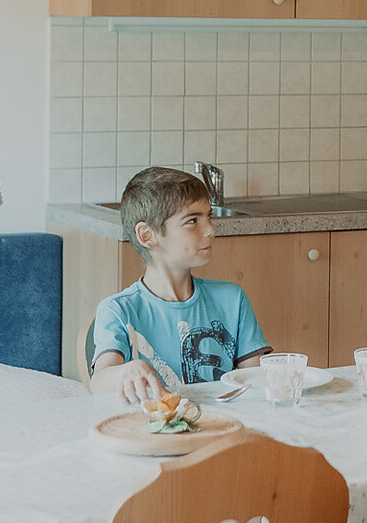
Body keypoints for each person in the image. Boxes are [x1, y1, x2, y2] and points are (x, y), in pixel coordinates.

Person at [90, 166, 270, 403]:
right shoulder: (118, 310)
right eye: (192, 221)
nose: (210, 231)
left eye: (209, 217)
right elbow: (99, 381)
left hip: (222, 423)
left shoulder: (232, 299)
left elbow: (256, 380)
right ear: (147, 235)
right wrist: (124, 372)